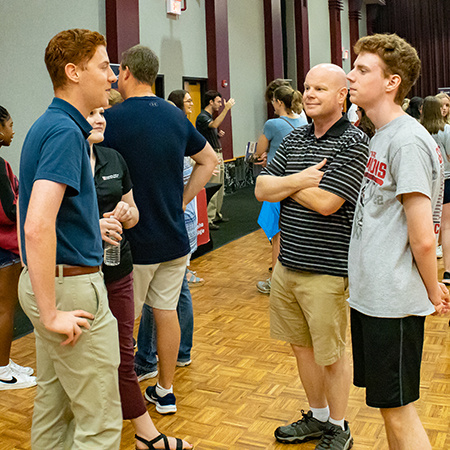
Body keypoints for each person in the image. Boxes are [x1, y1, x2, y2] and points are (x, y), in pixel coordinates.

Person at [255, 63, 369, 449]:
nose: (310, 94)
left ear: (342, 96)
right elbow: (260, 188)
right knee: (301, 348)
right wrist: (303, 178)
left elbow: (327, 203)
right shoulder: (295, 138)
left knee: (331, 354)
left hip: (328, 270)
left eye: (321, 87)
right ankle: (318, 418)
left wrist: (285, 184)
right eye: (306, 87)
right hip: (287, 266)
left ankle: (340, 427)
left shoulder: (354, 143)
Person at [18, 29, 122, 448]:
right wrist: (51, 313)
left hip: (52, 281)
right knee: (99, 425)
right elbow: (36, 225)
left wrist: (87, 227)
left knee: (54, 408)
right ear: (73, 72)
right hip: (68, 290)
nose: (112, 76)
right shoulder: (64, 132)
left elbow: (47, 216)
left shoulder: (51, 124)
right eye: (103, 66)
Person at [347, 33, 450, 450]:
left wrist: (432, 290)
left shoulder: (407, 140)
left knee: (401, 412)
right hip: (373, 297)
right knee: (389, 408)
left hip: (394, 300)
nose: (350, 76)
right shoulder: (383, 134)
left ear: (391, 82)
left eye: (362, 69)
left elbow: (424, 237)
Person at [103, 45, 217, 416]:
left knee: (120, 321)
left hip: (132, 240)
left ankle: (118, 397)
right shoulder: (174, 116)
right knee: (166, 311)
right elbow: (209, 160)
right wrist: (182, 200)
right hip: (173, 237)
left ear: (128, 74)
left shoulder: (110, 119)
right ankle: (165, 392)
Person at [87, 107, 191, 450]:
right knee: (107, 342)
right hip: (83, 272)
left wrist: (128, 213)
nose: (101, 118)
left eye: (101, 111)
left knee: (123, 339)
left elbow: (132, 213)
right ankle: (153, 406)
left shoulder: (113, 158)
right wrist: (92, 227)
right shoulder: (63, 158)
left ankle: (148, 413)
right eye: (91, 113)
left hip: (121, 265)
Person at [254, 86, 307, 295]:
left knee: (277, 235)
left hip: (278, 183)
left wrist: (266, 155)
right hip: (298, 183)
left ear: (278, 102)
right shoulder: (303, 121)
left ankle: (275, 281)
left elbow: (259, 152)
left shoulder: (272, 124)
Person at [0, 106, 36, 390]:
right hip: (4, 250)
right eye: (10, 125)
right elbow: (9, 212)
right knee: (5, 309)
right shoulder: (0, 164)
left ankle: (5, 361)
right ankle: (2, 370)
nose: (13, 130)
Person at [196, 90, 235, 230]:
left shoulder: (209, 117)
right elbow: (213, 125)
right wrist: (226, 109)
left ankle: (216, 214)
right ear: (210, 102)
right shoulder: (202, 116)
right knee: (213, 185)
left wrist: (217, 135)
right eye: (218, 101)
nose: (220, 104)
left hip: (217, 153)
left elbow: (211, 129)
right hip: (211, 155)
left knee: (220, 185)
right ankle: (209, 218)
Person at [421, 96, 450, 283]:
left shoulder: (419, 131)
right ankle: (448, 270)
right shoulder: (446, 130)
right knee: (446, 227)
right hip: (446, 181)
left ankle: (426, 271)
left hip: (424, 182)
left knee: (427, 226)